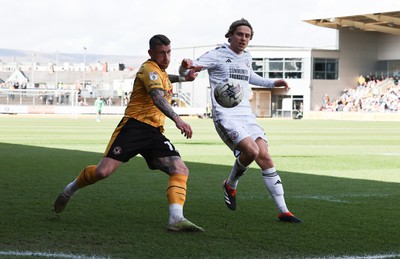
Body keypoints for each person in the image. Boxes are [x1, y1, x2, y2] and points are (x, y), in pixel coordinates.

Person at [53, 34, 204, 232]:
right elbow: (158, 98)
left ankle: (176, 218)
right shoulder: (149, 69)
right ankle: (69, 190)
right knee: (102, 172)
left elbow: (168, 79)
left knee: (180, 169)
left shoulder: (160, 71)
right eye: (161, 53)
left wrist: (186, 77)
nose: (166, 57)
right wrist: (178, 119)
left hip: (154, 132)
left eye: (169, 53)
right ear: (151, 53)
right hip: (134, 127)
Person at [179, 18, 302, 223]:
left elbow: (250, 76)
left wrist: (273, 82)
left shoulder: (246, 57)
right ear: (230, 35)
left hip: (246, 114)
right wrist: (186, 67)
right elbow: (189, 72)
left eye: (247, 36)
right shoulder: (217, 54)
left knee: (265, 157)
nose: (244, 38)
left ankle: (283, 211)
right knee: (251, 151)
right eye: (239, 34)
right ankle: (231, 184)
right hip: (225, 115)